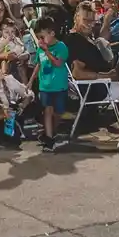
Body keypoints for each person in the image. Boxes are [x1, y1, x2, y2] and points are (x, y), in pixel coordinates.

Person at [25, 16, 68, 151]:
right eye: (39, 37)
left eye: (42, 37)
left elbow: (58, 63)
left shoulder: (61, 47)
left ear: (52, 33)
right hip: (45, 86)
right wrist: (31, 81)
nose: (40, 41)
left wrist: (47, 51)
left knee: (58, 113)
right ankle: (49, 139)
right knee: (47, 110)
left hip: (59, 86)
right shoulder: (40, 49)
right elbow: (38, 64)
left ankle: (50, 132)